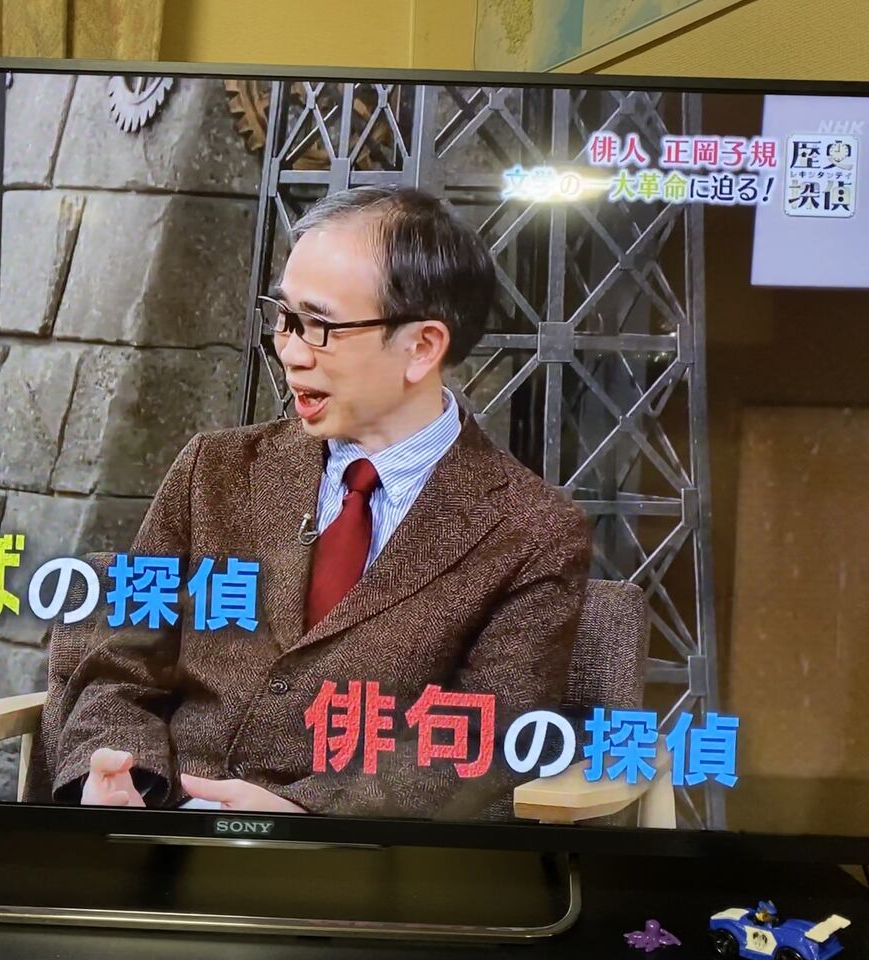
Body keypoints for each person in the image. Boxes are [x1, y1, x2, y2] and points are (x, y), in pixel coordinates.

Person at [29, 185, 592, 819]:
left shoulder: (532, 531)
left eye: (319, 326)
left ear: (421, 347)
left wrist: (303, 813)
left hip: (348, 859)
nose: (291, 352)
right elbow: (117, 662)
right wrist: (120, 775)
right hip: (160, 828)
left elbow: (483, 740)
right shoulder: (214, 470)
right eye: (286, 317)